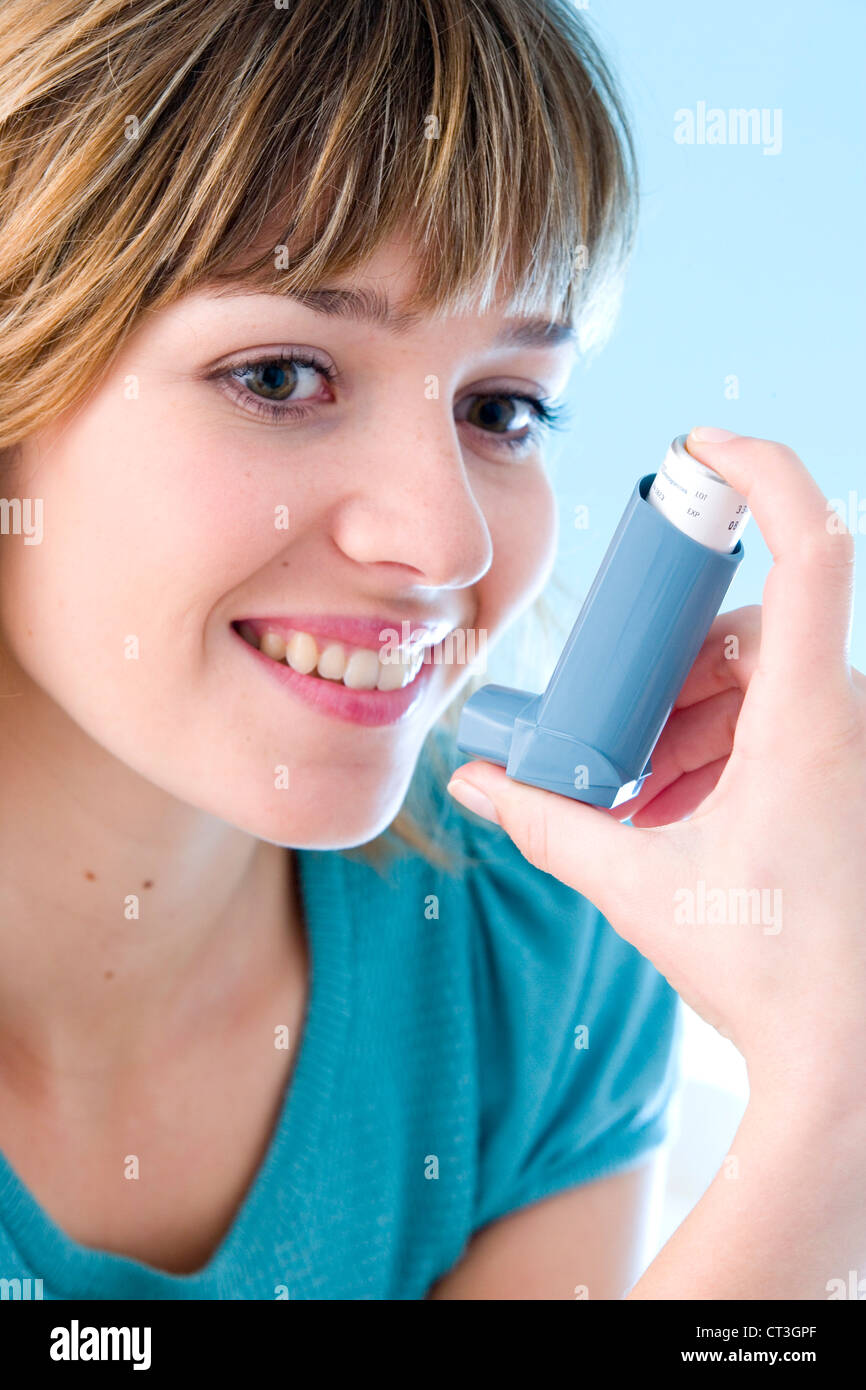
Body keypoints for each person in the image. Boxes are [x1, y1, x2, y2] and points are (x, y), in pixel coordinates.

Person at [0, 0, 861, 1301]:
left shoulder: (535, 953)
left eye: (501, 406)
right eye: (280, 376)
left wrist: (827, 1099)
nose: (444, 539)